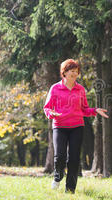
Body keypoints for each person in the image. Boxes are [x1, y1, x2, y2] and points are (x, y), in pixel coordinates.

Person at [44, 59, 108, 193]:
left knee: (74, 158)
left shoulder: (80, 89)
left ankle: (70, 189)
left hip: (77, 126)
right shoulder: (55, 88)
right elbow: (47, 108)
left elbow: (84, 109)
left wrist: (94, 110)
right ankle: (58, 176)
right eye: (71, 71)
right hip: (60, 126)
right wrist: (52, 113)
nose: (74, 74)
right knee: (60, 156)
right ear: (64, 73)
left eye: (76, 71)